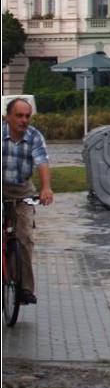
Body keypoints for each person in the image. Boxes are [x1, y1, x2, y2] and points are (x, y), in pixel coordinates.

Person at [2, 97, 54, 305]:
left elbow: (41, 162)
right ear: (8, 117)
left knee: (24, 237)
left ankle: (24, 288)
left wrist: (46, 188)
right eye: (19, 116)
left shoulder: (34, 136)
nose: (24, 120)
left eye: (27, 116)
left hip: (22, 188)